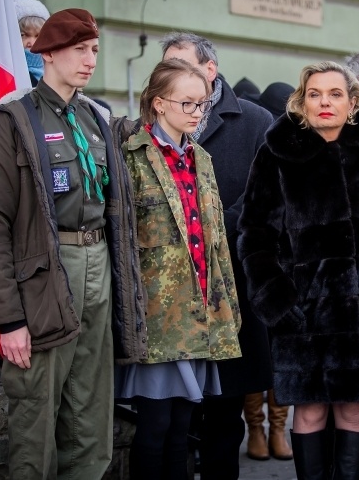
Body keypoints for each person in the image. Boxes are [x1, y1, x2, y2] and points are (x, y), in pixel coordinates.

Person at [0, 8, 145, 479]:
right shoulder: (14, 122)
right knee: (36, 412)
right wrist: (9, 319)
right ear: (47, 53)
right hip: (45, 272)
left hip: (98, 266)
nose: (90, 61)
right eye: (79, 50)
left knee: (91, 412)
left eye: (94, 51)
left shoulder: (95, 119)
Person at [238, 61, 359, 480]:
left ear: (352, 100)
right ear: (301, 101)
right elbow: (254, 233)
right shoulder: (278, 151)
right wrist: (277, 299)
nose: (325, 102)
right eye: (315, 94)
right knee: (308, 411)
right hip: (304, 313)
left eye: (335, 93)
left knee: (355, 408)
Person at [115, 58, 241, 478]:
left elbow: (215, 241)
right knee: (155, 427)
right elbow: (123, 239)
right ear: (158, 104)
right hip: (155, 314)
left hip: (199, 312)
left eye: (202, 105)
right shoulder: (131, 157)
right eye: (187, 103)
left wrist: (228, 311)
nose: (196, 113)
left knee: (184, 427)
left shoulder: (201, 158)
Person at [160, 32, 274, 479]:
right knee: (174, 411)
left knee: (225, 412)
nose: (170, 75)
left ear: (210, 69)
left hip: (233, 288)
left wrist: (208, 228)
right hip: (172, 291)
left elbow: (267, 196)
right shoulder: (155, 121)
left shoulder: (256, 121)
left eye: (181, 65)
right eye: (165, 67)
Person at [240, 79, 296, 462]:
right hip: (257, 263)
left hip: (292, 263)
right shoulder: (255, 150)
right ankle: (256, 429)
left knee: (283, 352)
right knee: (254, 350)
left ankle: (278, 427)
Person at [11, 0, 50, 87]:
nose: (32, 43)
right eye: (24, 35)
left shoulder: (56, 72)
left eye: (38, 36)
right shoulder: (8, 72)